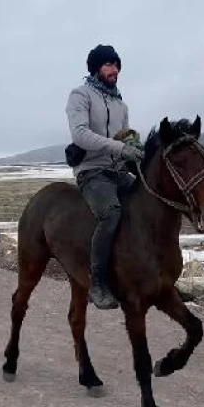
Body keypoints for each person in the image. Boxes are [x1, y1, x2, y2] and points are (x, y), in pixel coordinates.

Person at [65, 44, 143, 310]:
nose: (115, 70)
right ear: (96, 68)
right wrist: (120, 147)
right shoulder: (80, 95)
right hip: (92, 171)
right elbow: (80, 135)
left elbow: (123, 138)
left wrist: (134, 149)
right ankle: (97, 282)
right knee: (111, 213)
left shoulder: (121, 104)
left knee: (149, 204)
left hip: (117, 170)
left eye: (117, 65)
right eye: (109, 64)